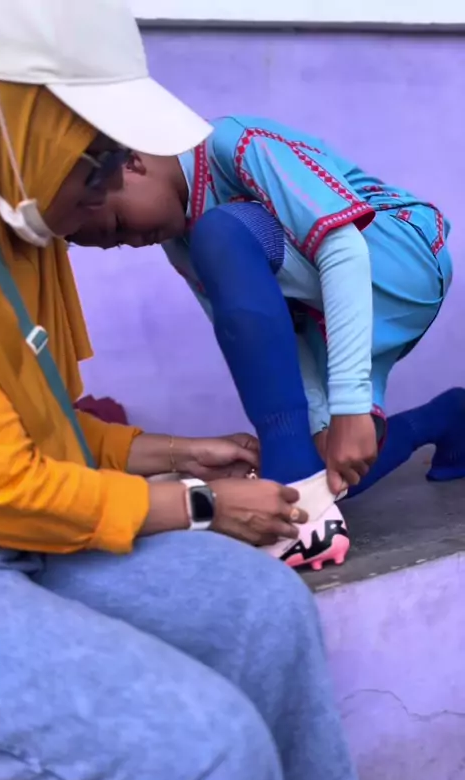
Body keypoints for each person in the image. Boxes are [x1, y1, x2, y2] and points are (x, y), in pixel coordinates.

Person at [0, 1, 378, 780]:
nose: (104, 194)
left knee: (268, 613)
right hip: (7, 533)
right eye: (95, 161)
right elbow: (4, 489)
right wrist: (199, 503)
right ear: (15, 123)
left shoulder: (19, 230)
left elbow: (44, 435)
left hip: (30, 537)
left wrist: (180, 453)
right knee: (200, 756)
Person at [71, 116, 465, 570]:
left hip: (398, 257)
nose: (134, 242)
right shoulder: (180, 242)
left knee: (221, 231)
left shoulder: (233, 143)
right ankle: (446, 418)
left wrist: (350, 404)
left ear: (133, 163)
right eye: (119, 244)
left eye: (120, 224)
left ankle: (291, 468)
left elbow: (343, 249)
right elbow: (264, 336)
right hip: (323, 314)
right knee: (328, 473)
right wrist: (323, 421)